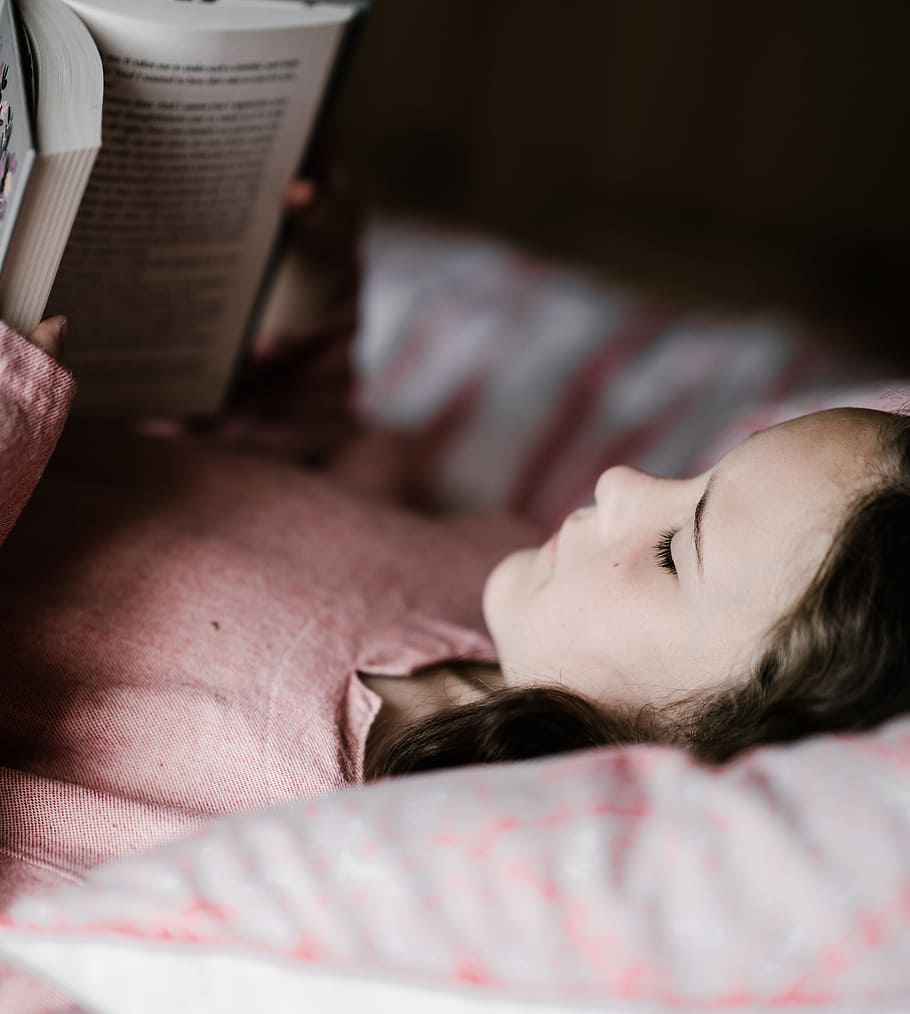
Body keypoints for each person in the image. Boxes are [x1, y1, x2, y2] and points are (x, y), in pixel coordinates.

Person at [0, 170, 908, 909]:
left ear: (700, 763)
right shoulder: (512, 594)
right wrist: (290, 330)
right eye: (705, 472)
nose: (623, 483)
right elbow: (272, 484)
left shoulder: (298, 844)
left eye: (674, 550)